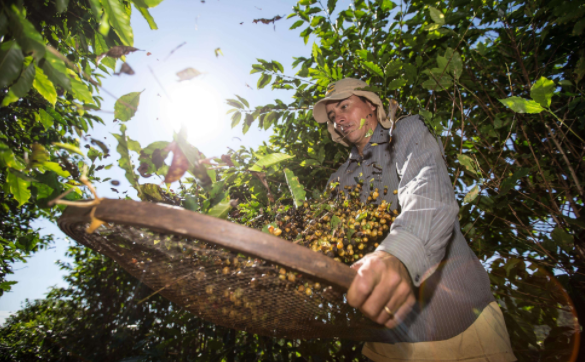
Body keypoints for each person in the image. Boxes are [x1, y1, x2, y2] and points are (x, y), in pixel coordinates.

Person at [312, 78, 517, 361]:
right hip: (383, 344)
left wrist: (398, 255)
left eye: (344, 106)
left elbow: (428, 191)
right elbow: (329, 240)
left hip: (458, 329)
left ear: (371, 105)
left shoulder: (405, 133)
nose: (338, 120)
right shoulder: (339, 180)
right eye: (332, 117)